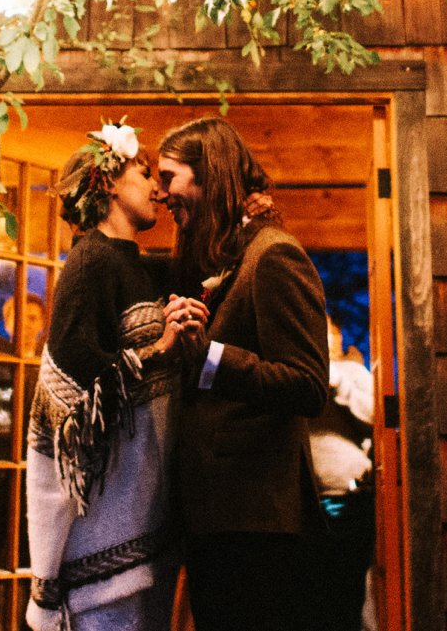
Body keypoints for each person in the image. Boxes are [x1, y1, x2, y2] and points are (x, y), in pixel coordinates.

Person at [156, 116, 330, 631]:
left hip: (257, 526)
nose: (162, 194)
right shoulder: (226, 257)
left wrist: (209, 357)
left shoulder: (274, 256)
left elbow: (307, 385)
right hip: (219, 519)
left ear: (209, 175)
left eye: (169, 177)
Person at [24, 122, 193, 631]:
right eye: (146, 173)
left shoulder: (134, 265)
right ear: (111, 183)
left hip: (145, 526)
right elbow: (73, 391)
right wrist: (158, 352)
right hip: (103, 533)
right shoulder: (90, 261)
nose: (158, 190)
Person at [308, 317, 377, 631]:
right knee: (315, 595)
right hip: (304, 503)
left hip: (349, 495)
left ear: (335, 338)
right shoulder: (297, 378)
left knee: (350, 590)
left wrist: (339, 384)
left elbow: (377, 415)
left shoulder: (350, 372)